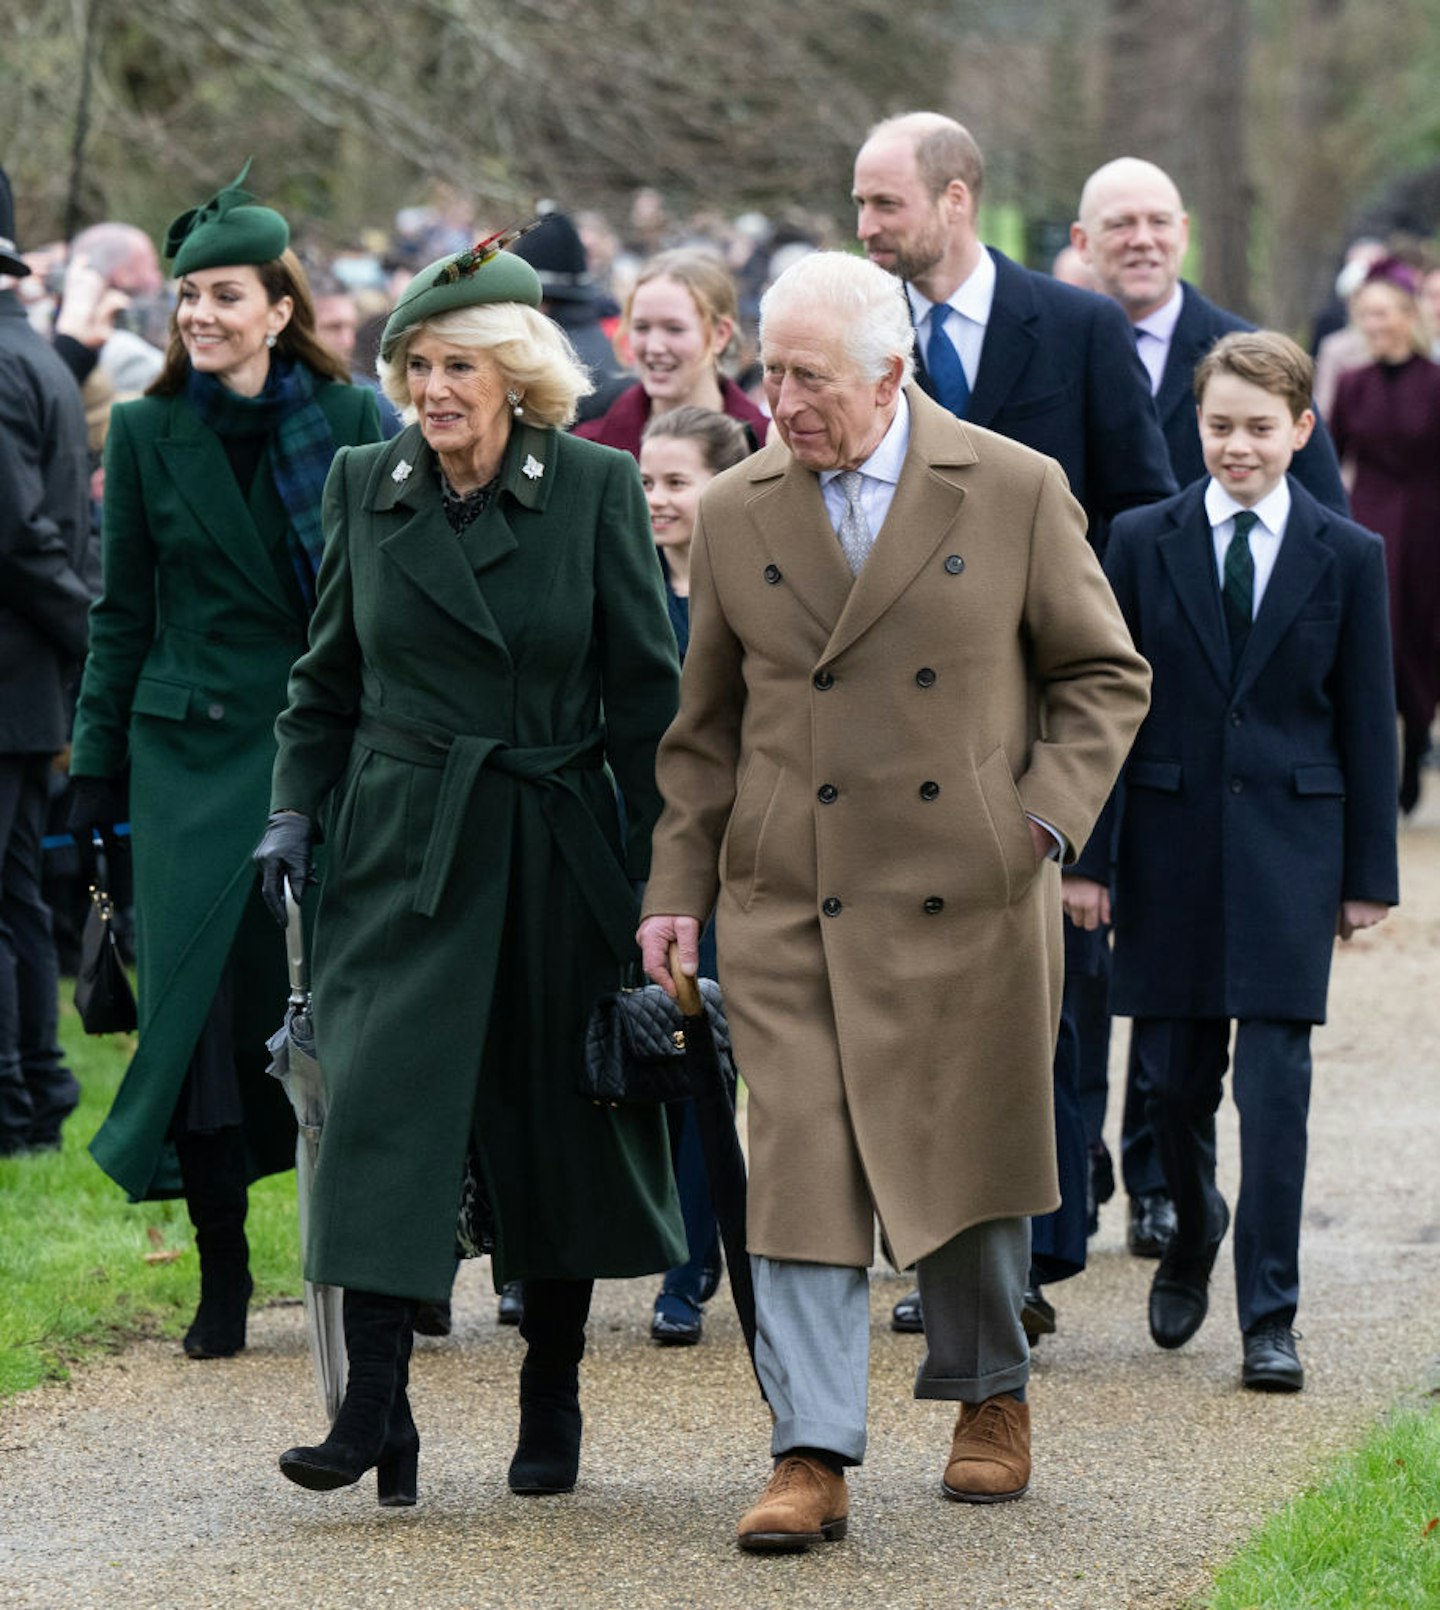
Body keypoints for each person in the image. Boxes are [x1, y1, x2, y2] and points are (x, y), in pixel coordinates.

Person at [638, 251, 1150, 1550]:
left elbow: (1103, 674)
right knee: (800, 1159)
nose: (783, 400)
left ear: (891, 374)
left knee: (963, 1155)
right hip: (790, 898)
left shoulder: (1014, 487)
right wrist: (677, 888)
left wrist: (1036, 821)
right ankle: (809, 1447)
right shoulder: (741, 507)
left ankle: (988, 1388)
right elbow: (704, 731)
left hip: (965, 891)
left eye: (810, 377)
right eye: (771, 372)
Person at [255, 240, 685, 1506]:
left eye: (457, 366)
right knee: (380, 1108)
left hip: (553, 839)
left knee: (555, 1118)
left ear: (515, 376)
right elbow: (324, 680)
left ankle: (551, 1387)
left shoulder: (595, 485)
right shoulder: (363, 482)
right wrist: (293, 810)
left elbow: (646, 704)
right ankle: (372, 1408)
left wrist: (665, 879)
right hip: (401, 844)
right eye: (415, 366)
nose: (432, 389)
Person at [852, 110, 1173, 1339]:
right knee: (913, 1005)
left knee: (1047, 1003)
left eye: (884, 203)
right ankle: (938, 1252)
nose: (866, 227)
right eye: (859, 203)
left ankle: (1030, 1257)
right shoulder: (861, 335)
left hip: (1030, 725)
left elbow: (1141, 519)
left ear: (956, 198)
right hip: (892, 732)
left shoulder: (1079, 330)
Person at [66, 166, 383, 1358]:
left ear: (279, 309)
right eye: (187, 296)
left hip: (328, 748)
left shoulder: (351, 421)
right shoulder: (148, 431)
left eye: (224, 295)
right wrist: (95, 770)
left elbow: (388, 598)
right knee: (197, 1017)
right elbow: (121, 612)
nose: (199, 314)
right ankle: (224, 1270)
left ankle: (378, 1257)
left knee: (344, 1003)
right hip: (187, 762)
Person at [1063, 331, 1398, 1391]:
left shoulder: (1348, 553)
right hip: (1167, 845)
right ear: (1196, 428)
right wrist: (1090, 858)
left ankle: (1270, 1314)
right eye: (1219, 426)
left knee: (1276, 1091)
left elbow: (1366, 721)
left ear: (1301, 430)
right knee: (1172, 1084)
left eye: (1259, 427)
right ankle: (1195, 1223)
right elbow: (1105, 707)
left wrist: (1368, 875)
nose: (1237, 446)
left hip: (1293, 851)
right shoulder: (1139, 538)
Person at [1069, 155, 1353, 1259]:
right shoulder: (1068, 341)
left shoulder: (1240, 354)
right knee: (1125, 986)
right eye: (1117, 224)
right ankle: (1088, 1172)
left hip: (1242, 745)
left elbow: (1324, 544)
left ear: (1183, 229)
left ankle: (1159, 1188)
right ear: (1085, 243)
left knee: (1191, 1018)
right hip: (1122, 706)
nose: (1139, 239)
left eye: (1156, 219)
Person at [637, 405, 752, 1345]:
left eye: (677, 481)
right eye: (646, 481)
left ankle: (690, 1265)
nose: (657, 499)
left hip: (731, 854)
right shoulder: (627, 583)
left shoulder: (749, 587)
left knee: (705, 1057)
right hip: (635, 847)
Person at [0, 165, 90, 1155]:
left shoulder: (4, 361)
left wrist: (83, 631)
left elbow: (19, 535)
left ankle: (17, 1100)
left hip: (14, 672)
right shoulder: (35, 353)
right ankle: (33, 1093)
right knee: (16, 893)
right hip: (31, 681)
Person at [1328, 258, 1440, 811]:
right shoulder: (1352, 384)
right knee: (1378, 636)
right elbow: (1329, 457)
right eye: (1366, 315)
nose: (1375, 325)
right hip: (1368, 519)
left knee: (1422, 637)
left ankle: (1417, 735)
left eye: (1384, 314)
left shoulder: (1435, 382)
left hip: (1427, 526)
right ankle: (1377, 756)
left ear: (1407, 316)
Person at [575, 248, 768, 455]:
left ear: (720, 334)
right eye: (641, 327)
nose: (654, 347)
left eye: (674, 329)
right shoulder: (589, 451)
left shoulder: (768, 448)